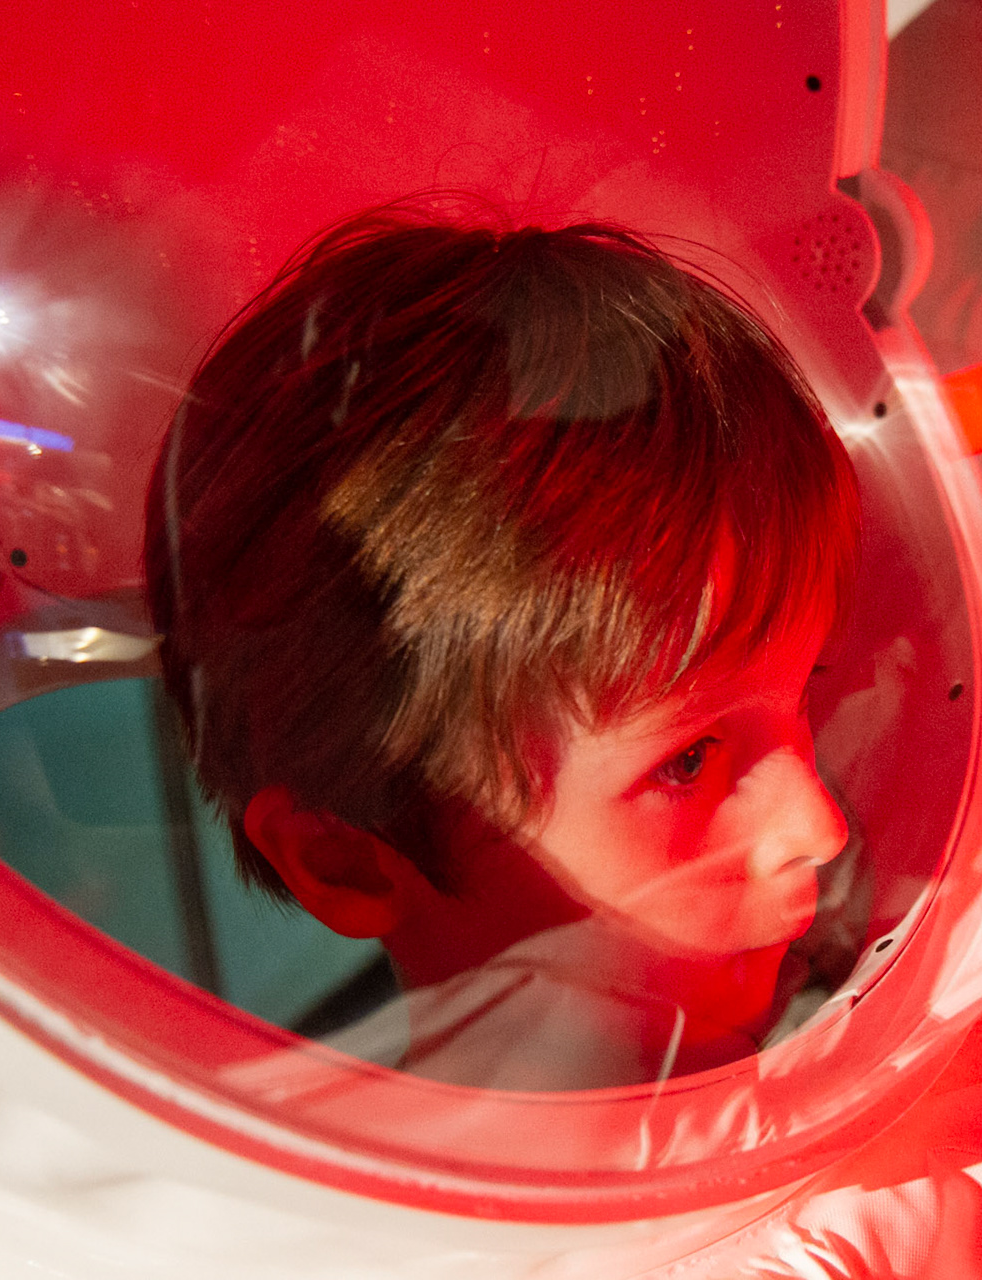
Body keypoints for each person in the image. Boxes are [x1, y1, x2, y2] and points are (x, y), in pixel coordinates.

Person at [144, 204, 862, 1091]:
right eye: (688, 761)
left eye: (804, 692)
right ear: (349, 860)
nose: (818, 828)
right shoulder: (306, 1183)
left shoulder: (862, 1062)